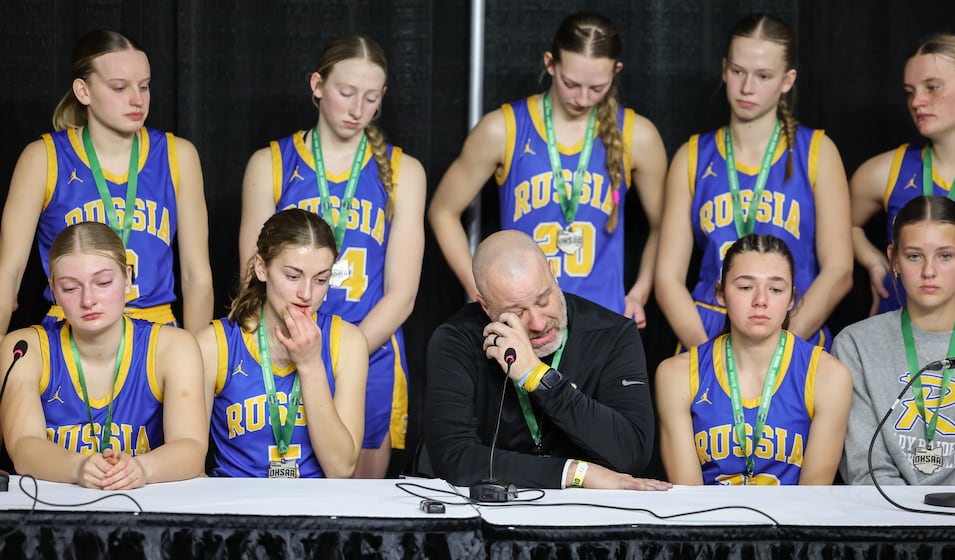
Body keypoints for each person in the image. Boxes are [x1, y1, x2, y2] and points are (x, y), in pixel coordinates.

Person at [238, 34, 424, 479]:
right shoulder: (272, 163)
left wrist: (343, 353)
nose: (358, 109)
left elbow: (403, 295)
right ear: (317, 85)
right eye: (345, 93)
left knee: (357, 511)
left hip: (370, 350)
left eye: (371, 97)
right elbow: (252, 272)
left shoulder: (404, 172)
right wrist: (302, 352)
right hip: (280, 349)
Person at [428, 11, 667, 327]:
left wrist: (640, 292)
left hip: (602, 323)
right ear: (550, 63)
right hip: (525, 321)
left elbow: (667, 225)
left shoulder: (637, 135)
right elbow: (442, 211)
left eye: (597, 87)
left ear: (616, 71)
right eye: (571, 84)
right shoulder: (504, 129)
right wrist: (479, 290)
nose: (582, 98)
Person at [655, 13, 852, 351]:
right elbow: (668, 277)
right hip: (709, 328)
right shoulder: (692, 156)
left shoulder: (817, 152)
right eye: (738, 72)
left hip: (794, 327)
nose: (747, 88)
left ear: (787, 80)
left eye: (763, 76)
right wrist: (706, 353)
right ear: (724, 69)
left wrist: (784, 345)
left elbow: (838, 270)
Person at [0, 30, 213, 339]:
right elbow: (8, 271)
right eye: (119, 87)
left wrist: (197, 365)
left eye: (144, 86)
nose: (137, 100)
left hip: (154, 334)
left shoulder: (178, 155)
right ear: (83, 91)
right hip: (70, 333)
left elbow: (197, 276)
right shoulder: (42, 159)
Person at [424, 230, 670, 490]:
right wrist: (575, 472)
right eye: (516, 312)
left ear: (553, 273)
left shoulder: (613, 334)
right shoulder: (455, 340)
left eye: (543, 301)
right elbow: (453, 458)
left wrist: (537, 376)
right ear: (486, 307)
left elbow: (632, 453)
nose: (539, 323)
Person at [0, 222, 207, 489]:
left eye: (103, 282)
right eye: (71, 288)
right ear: (53, 289)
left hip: (146, 508)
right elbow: (23, 446)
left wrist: (143, 468)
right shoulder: (25, 348)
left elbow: (191, 446)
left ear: (128, 278)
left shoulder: (173, 347)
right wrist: (77, 467)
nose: (88, 300)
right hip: (56, 512)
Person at [656, 233, 852, 485]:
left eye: (775, 289)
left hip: (792, 523)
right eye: (746, 287)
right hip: (705, 522)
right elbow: (688, 501)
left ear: (791, 299)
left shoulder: (829, 377)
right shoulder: (677, 376)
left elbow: (812, 501)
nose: (761, 300)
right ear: (721, 293)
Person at [834, 196, 955, 485]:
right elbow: (866, 470)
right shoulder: (854, 346)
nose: (929, 271)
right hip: (887, 522)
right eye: (914, 256)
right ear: (893, 259)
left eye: (945, 256)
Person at [201, 209, 368, 478]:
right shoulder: (214, 344)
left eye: (321, 280)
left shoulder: (347, 342)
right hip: (238, 508)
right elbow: (191, 469)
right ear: (261, 268)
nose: (306, 294)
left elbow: (342, 468)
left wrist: (312, 365)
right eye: (292, 276)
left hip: (314, 512)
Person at [850, 34, 955, 329]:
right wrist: (872, 259)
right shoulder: (885, 171)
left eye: (932, 88)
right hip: (901, 358)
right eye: (910, 91)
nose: (916, 102)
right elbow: (840, 225)